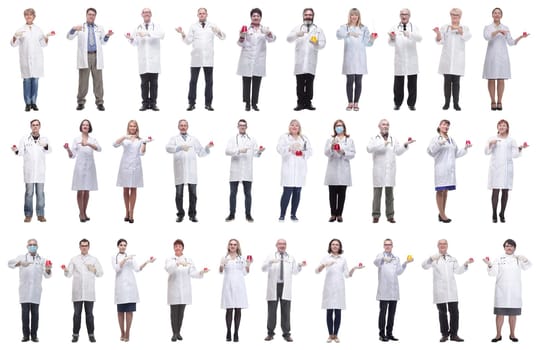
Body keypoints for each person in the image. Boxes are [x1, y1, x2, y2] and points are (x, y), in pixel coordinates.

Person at [421, 239, 472, 342]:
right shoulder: (434, 258)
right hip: (440, 291)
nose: (442, 245)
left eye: (444, 244)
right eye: (440, 244)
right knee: (442, 312)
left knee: (455, 313)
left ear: (447, 246)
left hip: (452, 290)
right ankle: (444, 334)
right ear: (437, 246)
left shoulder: (452, 259)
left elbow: (458, 271)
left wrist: (465, 264)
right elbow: (424, 266)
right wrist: (430, 259)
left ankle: (454, 334)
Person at [176, 8, 226, 111]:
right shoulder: (193, 26)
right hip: (196, 58)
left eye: (203, 13)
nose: (202, 15)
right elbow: (188, 41)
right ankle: (191, 103)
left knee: (209, 82)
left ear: (207, 14)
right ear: (197, 15)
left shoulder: (212, 26)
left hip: (208, 58)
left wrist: (218, 31)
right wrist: (182, 33)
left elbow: (223, 37)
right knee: (193, 81)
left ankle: (208, 104)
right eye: (200, 14)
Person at [483, 239, 532, 342]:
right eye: (507, 246)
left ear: (514, 247)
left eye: (511, 246)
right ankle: (498, 335)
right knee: (499, 314)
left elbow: (527, 267)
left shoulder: (518, 259)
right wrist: (489, 264)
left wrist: (525, 259)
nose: (509, 247)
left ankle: (512, 334)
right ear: (504, 248)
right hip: (502, 291)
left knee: (513, 315)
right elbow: (492, 273)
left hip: (514, 291)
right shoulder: (499, 258)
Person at [366, 119, 414, 223]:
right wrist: (383, 144)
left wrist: (405, 144)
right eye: (383, 124)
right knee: (377, 195)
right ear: (379, 126)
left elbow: (398, 152)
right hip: (378, 170)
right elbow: (369, 149)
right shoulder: (374, 138)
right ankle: (376, 215)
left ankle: (390, 215)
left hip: (390, 171)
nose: (385, 126)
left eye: (387, 124)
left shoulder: (393, 138)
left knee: (390, 195)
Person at [166, 119, 213, 223]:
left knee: (193, 194)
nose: (183, 127)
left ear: (187, 127)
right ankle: (180, 215)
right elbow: (168, 148)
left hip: (191, 171)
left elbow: (201, 153)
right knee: (179, 194)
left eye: (185, 125)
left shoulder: (193, 139)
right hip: (180, 171)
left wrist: (207, 147)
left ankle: (192, 215)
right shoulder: (174, 139)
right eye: (181, 125)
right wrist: (179, 147)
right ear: (178, 127)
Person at [316, 239, 362, 343]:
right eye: (333, 244)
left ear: (340, 246)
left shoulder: (343, 259)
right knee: (329, 312)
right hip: (328, 288)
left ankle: (336, 335)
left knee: (338, 312)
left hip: (339, 288)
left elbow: (347, 275)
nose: (335, 246)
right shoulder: (326, 258)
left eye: (337, 244)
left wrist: (354, 268)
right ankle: (330, 335)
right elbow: (316, 271)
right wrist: (325, 265)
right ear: (330, 246)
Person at [483, 8, 528, 111]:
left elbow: (511, 42)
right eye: (495, 13)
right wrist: (498, 31)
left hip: (503, 56)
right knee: (491, 78)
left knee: (501, 78)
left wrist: (521, 37)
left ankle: (499, 101)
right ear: (492, 15)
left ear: (501, 15)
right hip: (491, 56)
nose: (497, 14)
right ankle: (492, 101)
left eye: (499, 13)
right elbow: (486, 37)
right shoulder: (488, 27)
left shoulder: (506, 28)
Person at [67, 7, 112, 111]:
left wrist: (107, 36)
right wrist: (73, 29)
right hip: (85, 56)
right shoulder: (80, 27)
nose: (91, 16)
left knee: (98, 80)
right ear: (86, 15)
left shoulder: (99, 27)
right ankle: (81, 102)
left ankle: (100, 102)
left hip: (96, 56)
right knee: (83, 81)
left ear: (95, 16)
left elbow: (103, 42)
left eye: (93, 15)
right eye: (89, 14)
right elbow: (69, 37)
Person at [8, 238, 52, 342]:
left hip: (36, 292)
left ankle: (34, 335)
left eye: (34, 244)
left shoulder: (42, 259)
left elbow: (47, 276)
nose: (32, 246)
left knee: (35, 314)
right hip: (24, 291)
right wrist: (20, 263)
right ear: (27, 246)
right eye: (30, 244)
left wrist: (48, 269)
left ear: (37, 246)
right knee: (25, 314)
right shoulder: (21, 257)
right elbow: (9, 264)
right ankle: (26, 335)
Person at [427, 119, 470, 223]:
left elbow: (456, 154)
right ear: (439, 126)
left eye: (447, 125)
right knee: (440, 190)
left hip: (450, 169)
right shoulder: (436, 138)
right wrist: (439, 144)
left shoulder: (451, 139)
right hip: (441, 168)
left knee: (445, 191)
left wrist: (465, 148)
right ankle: (442, 214)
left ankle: (442, 213)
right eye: (444, 124)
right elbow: (430, 151)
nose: (446, 126)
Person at [262, 239, 305, 342]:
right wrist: (270, 262)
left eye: (284, 244)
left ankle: (286, 334)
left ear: (286, 245)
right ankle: (270, 333)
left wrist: (299, 265)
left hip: (285, 287)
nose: (282, 245)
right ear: (276, 245)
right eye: (280, 244)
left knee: (286, 311)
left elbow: (295, 272)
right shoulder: (271, 256)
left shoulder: (290, 257)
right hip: (274, 286)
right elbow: (263, 269)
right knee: (271, 311)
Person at [165, 239, 208, 342]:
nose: (178, 247)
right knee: (174, 313)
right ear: (173, 248)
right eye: (176, 246)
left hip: (184, 290)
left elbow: (192, 273)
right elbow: (169, 270)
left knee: (181, 313)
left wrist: (201, 272)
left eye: (179, 246)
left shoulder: (188, 259)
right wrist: (177, 263)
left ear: (183, 248)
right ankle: (174, 333)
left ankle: (178, 332)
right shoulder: (170, 259)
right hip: (174, 290)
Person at [113, 238, 155, 342]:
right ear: (118, 246)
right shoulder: (114, 257)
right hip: (120, 288)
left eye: (124, 245)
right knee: (120, 312)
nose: (123, 246)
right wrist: (125, 259)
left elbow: (137, 269)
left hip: (131, 288)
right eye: (121, 245)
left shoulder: (130, 257)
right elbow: (117, 268)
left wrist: (147, 262)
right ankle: (122, 332)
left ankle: (128, 332)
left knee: (129, 311)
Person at [485, 120, 527, 223]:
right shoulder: (492, 138)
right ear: (497, 127)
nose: (502, 127)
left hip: (506, 169)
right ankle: (494, 213)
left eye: (504, 125)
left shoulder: (511, 140)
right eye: (500, 125)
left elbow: (514, 155)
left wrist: (520, 148)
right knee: (495, 191)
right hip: (495, 169)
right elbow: (486, 152)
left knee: (505, 191)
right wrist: (490, 144)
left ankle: (502, 213)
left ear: (507, 127)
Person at [62, 239, 104, 343]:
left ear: (89, 247)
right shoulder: (74, 259)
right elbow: (68, 275)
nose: (84, 247)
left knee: (89, 314)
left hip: (89, 292)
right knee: (77, 314)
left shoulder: (94, 259)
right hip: (77, 292)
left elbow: (100, 273)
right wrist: (66, 270)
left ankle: (91, 334)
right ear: (79, 247)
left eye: (86, 246)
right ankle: (75, 335)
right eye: (82, 246)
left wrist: (94, 270)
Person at [11, 8, 52, 112]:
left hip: (37, 61)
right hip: (25, 60)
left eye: (30, 15)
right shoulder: (20, 29)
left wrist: (46, 38)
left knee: (35, 82)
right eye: (26, 15)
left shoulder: (38, 29)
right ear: (24, 16)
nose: (28, 16)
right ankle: (27, 104)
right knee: (27, 81)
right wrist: (15, 37)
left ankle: (34, 102)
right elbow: (13, 44)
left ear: (34, 16)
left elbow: (43, 44)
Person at [336, 8, 376, 111]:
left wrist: (372, 38)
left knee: (358, 81)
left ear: (359, 16)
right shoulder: (345, 27)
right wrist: (348, 33)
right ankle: (350, 103)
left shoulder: (364, 28)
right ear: (349, 16)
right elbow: (338, 35)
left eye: (356, 15)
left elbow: (368, 44)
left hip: (360, 58)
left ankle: (356, 103)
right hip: (349, 58)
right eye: (352, 15)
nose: (354, 17)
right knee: (349, 81)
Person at [287, 8, 326, 111]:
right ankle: (300, 103)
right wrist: (297, 34)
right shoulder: (297, 28)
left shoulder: (318, 30)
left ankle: (308, 103)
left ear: (313, 16)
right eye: (306, 15)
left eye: (310, 15)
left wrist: (316, 43)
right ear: (303, 16)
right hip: (300, 62)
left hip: (311, 62)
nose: (308, 16)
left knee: (309, 84)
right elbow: (288, 39)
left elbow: (323, 44)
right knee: (299, 84)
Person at [236, 8, 276, 111]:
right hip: (247, 59)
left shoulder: (264, 29)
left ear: (260, 18)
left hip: (259, 60)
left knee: (257, 82)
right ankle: (247, 103)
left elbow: (272, 39)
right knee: (246, 82)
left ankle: (254, 103)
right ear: (251, 17)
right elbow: (240, 44)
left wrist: (268, 33)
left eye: (258, 16)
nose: (256, 17)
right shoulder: (246, 29)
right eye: (254, 16)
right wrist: (241, 36)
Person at [12, 119, 50, 223]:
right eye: (33, 125)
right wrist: (15, 150)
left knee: (40, 194)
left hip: (40, 172)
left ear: (40, 126)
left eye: (37, 125)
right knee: (29, 193)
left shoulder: (44, 138)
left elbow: (49, 150)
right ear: (30, 126)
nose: (35, 127)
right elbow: (20, 153)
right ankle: (28, 215)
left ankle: (41, 215)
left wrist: (45, 145)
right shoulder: (25, 139)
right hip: (29, 172)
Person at [225, 119, 263, 222]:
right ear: (237, 126)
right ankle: (232, 214)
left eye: (244, 125)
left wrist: (260, 151)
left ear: (246, 127)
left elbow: (256, 154)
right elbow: (227, 151)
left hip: (247, 171)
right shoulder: (232, 139)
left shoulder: (252, 139)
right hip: (235, 171)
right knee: (233, 194)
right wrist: (238, 150)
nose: (242, 127)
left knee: (248, 194)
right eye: (240, 125)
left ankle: (248, 215)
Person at [126, 8, 164, 111]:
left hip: (154, 61)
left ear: (151, 14)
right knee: (144, 84)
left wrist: (147, 33)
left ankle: (153, 103)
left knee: (154, 84)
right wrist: (130, 39)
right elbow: (135, 43)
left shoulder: (156, 26)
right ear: (142, 14)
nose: (146, 14)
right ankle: (145, 103)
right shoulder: (138, 28)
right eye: (144, 12)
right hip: (143, 61)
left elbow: (162, 35)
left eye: (148, 12)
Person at [374, 238, 412, 342]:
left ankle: (389, 333)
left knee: (391, 314)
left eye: (389, 244)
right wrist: (383, 259)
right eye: (386, 244)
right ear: (383, 246)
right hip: (384, 290)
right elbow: (376, 263)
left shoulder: (396, 258)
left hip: (394, 290)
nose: (387, 246)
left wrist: (405, 263)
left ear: (392, 246)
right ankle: (382, 334)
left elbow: (398, 272)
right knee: (383, 313)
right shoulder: (380, 256)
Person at [114, 120, 151, 223]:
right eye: (131, 126)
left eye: (134, 126)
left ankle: (131, 213)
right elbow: (114, 144)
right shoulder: (125, 139)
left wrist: (145, 143)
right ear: (128, 127)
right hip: (125, 166)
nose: (132, 128)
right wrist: (124, 137)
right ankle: (126, 211)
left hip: (136, 166)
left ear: (136, 128)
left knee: (134, 189)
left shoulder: (140, 139)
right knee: (125, 189)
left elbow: (142, 153)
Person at [64, 119, 101, 222]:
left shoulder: (93, 139)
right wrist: (67, 150)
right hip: (80, 167)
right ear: (81, 127)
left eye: (87, 125)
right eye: (83, 124)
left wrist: (88, 144)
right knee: (80, 190)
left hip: (90, 167)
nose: (85, 126)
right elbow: (72, 155)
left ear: (89, 128)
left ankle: (85, 212)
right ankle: (81, 213)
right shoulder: (76, 139)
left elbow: (99, 149)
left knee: (87, 190)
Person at [434, 8, 471, 111]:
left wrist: (460, 31)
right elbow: (440, 41)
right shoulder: (445, 27)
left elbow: (467, 37)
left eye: (457, 15)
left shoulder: (464, 28)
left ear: (460, 17)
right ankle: (446, 103)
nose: (455, 16)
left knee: (456, 83)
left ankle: (456, 103)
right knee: (447, 82)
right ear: (450, 16)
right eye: (453, 15)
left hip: (458, 60)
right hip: (447, 59)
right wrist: (437, 33)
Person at [276, 119, 312, 221]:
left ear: (299, 128)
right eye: (292, 125)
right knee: (287, 193)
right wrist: (290, 147)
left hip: (300, 170)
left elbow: (310, 150)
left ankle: (293, 214)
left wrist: (303, 153)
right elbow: (279, 149)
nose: (294, 127)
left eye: (296, 125)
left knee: (297, 193)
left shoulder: (304, 138)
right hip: (288, 169)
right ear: (289, 127)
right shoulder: (284, 137)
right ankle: (282, 214)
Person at [388, 8, 422, 111]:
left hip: (412, 60)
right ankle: (397, 103)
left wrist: (410, 34)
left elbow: (420, 38)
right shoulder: (394, 27)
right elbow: (390, 43)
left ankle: (411, 104)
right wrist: (392, 38)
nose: (404, 16)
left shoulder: (414, 27)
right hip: (400, 59)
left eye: (406, 14)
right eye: (402, 14)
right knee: (398, 84)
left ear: (409, 16)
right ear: (400, 16)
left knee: (412, 84)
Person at [324, 119, 356, 222]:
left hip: (344, 171)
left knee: (342, 195)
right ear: (334, 128)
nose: (339, 127)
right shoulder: (330, 140)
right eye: (337, 126)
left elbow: (353, 154)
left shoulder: (349, 140)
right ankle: (333, 214)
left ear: (344, 127)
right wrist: (332, 148)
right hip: (332, 171)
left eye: (341, 125)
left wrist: (343, 152)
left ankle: (339, 214)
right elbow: (326, 153)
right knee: (332, 195)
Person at [220, 239, 251, 342]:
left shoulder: (241, 258)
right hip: (228, 285)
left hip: (239, 286)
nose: (233, 246)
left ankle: (236, 332)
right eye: (231, 244)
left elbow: (245, 272)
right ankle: (228, 331)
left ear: (237, 246)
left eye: (235, 244)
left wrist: (248, 265)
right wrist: (221, 265)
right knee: (229, 309)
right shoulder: (225, 258)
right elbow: (221, 271)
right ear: (228, 246)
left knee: (238, 309)